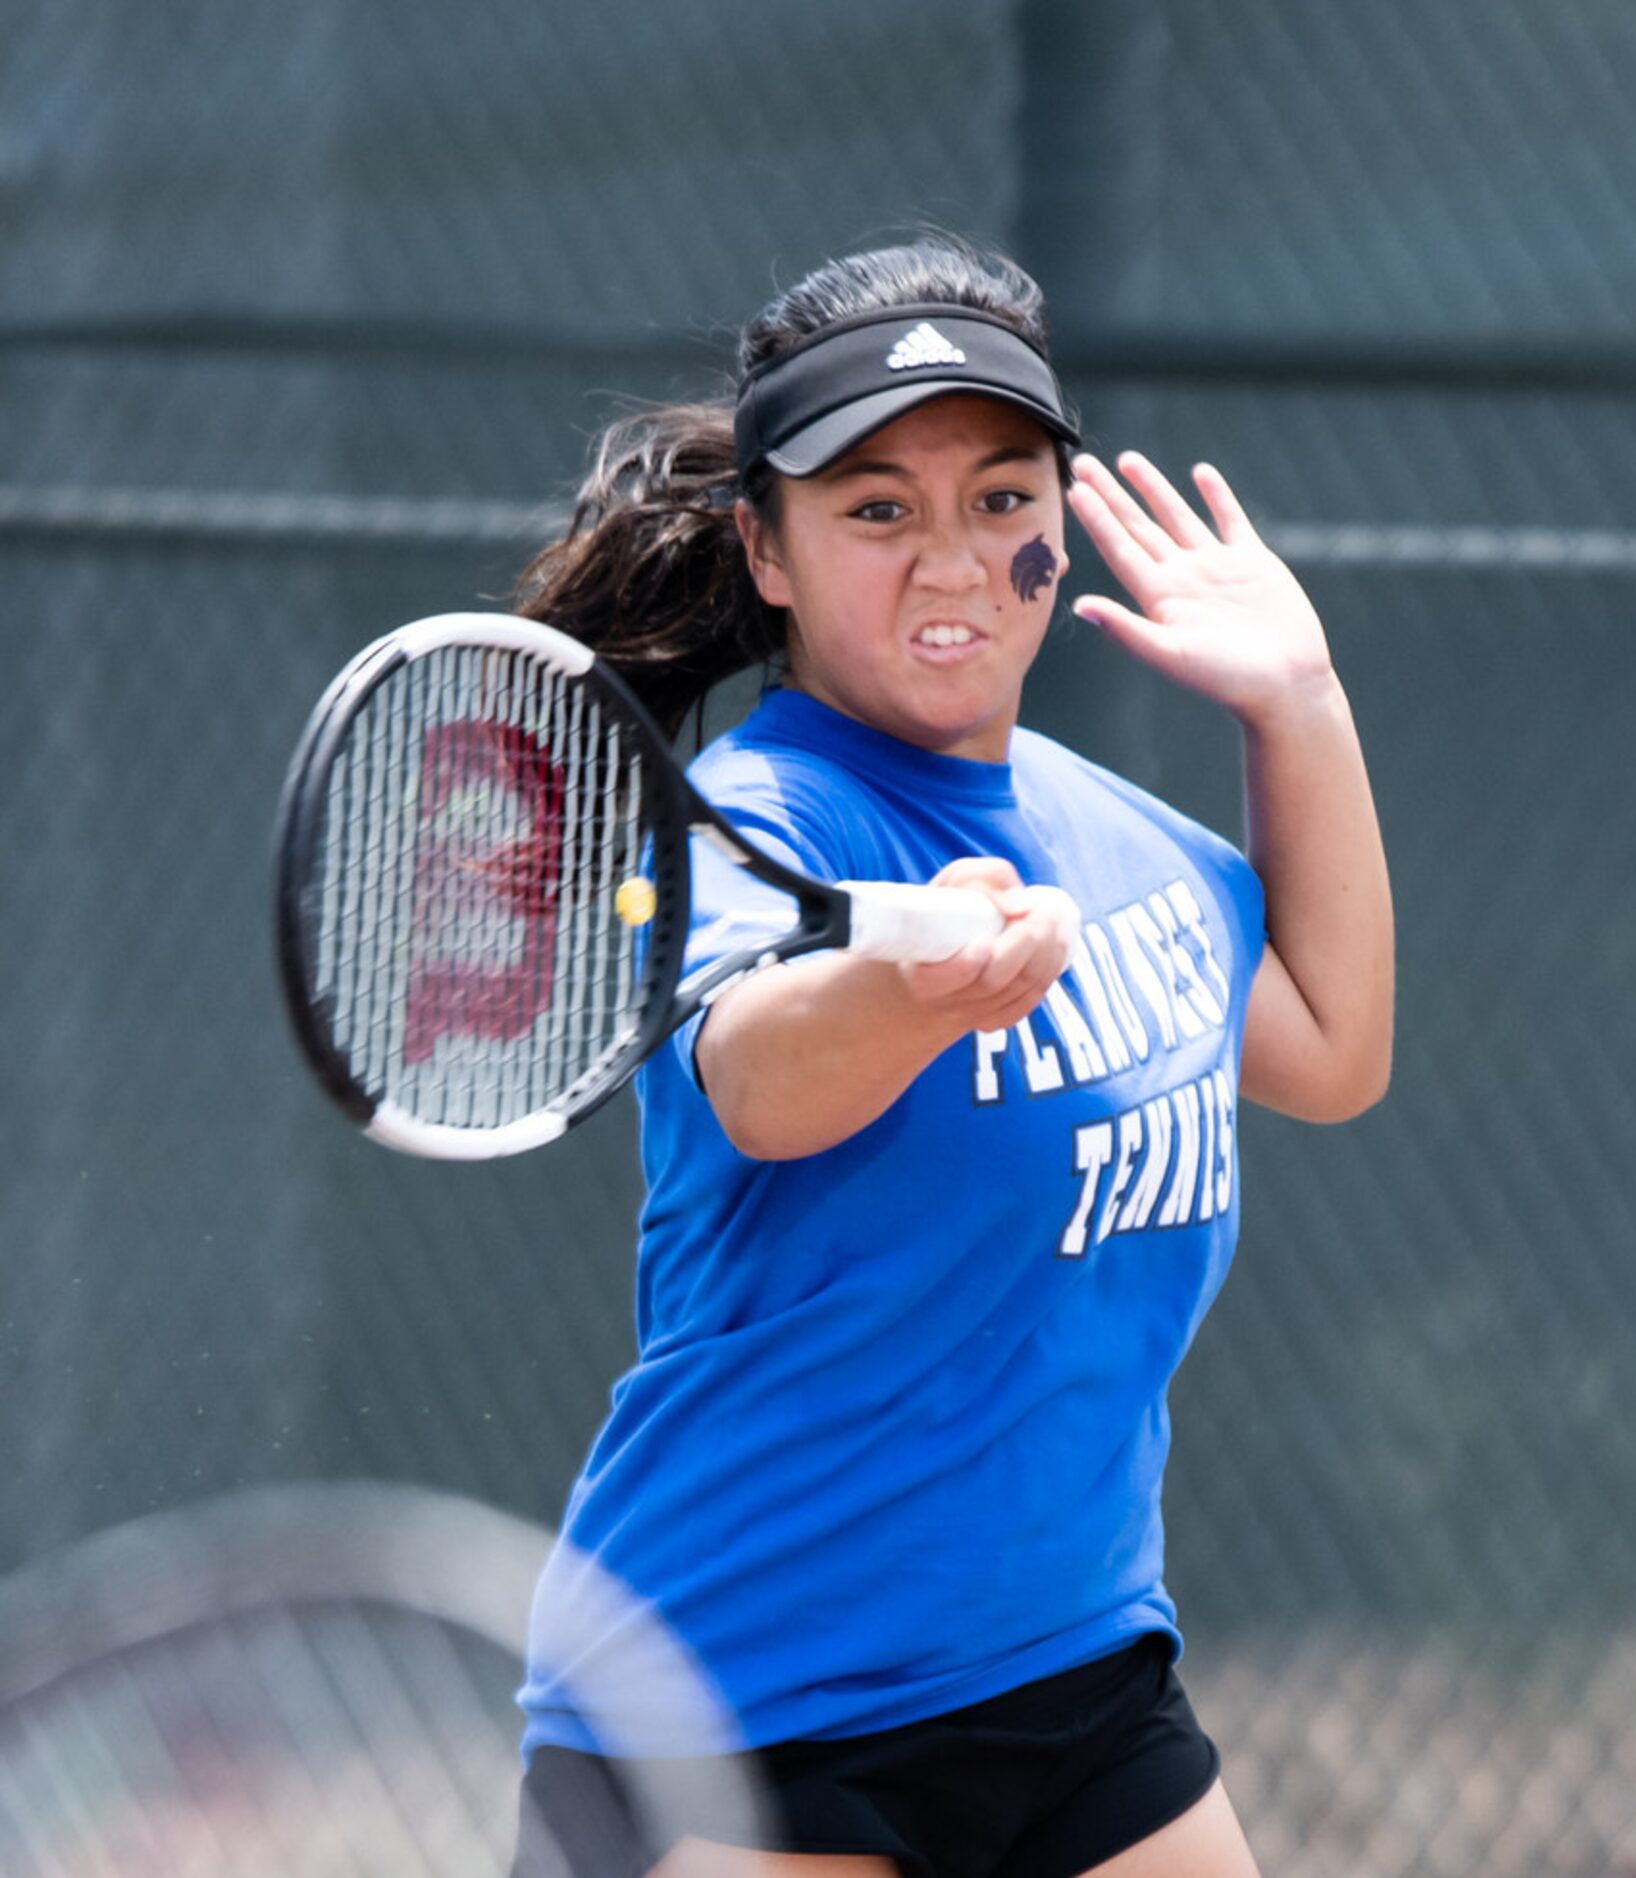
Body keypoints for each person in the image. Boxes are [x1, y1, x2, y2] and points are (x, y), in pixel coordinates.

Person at [508, 236, 1394, 1878]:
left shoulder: (1109, 832)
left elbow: (1333, 1048)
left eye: (1001, 500)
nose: (953, 561)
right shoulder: (753, 832)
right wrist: (912, 979)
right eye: (876, 510)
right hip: (742, 1717)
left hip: (1076, 1681)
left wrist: (1303, 700)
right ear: (765, 552)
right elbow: (759, 1081)